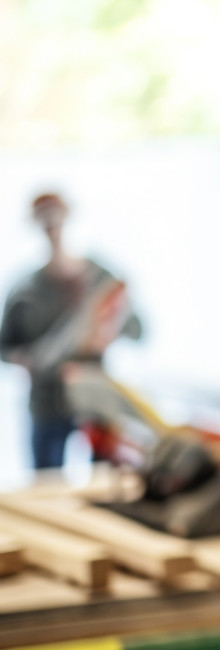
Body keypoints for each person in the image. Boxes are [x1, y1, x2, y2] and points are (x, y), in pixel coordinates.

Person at [0, 192, 142, 470]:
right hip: (46, 402)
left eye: (55, 213)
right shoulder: (23, 291)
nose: (51, 223)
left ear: (67, 214)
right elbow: (4, 347)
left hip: (95, 400)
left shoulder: (101, 278)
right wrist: (23, 359)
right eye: (43, 216)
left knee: (106, 480)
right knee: (45, 482)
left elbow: (137, 328)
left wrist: (107, 332)